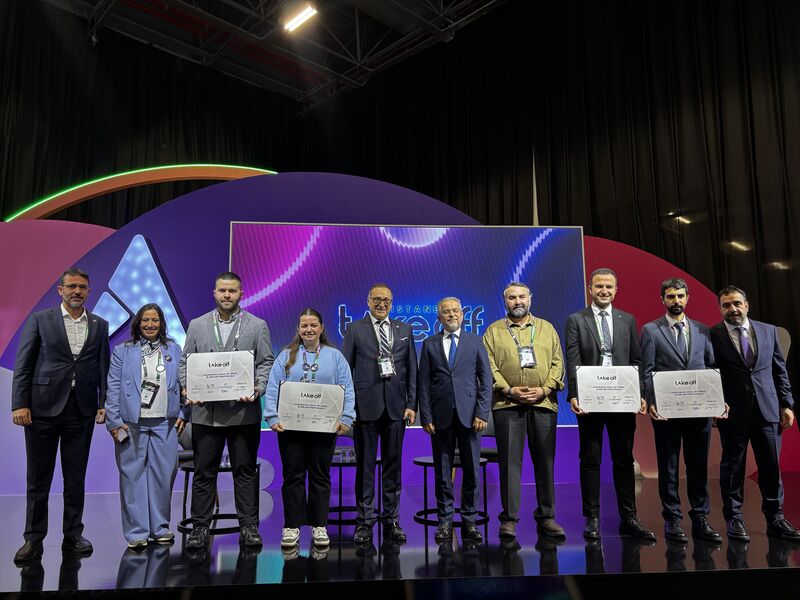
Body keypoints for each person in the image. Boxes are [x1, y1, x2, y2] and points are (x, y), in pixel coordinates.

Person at [11, 268, 109, 564]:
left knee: (75, 477)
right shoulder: (40, 320)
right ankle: (33, 539)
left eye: (82, 287)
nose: (77, 291)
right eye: (72, 286)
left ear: (89, 291)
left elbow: (102, 367)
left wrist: (102, 402)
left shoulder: (100, 324)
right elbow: (24, 364)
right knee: (38, 478)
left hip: (82, 410)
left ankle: (73, 535)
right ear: (60, 290)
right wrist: (19, 404)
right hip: (41, 410)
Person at [179, 271, 274, 549]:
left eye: (232, 291)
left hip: (243, 413)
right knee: (204, 472)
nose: (227, 295)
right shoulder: (197, 325)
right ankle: (199, 529)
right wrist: (189, 387)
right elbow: (185, 362)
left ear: (241, 294)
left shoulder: (257, 325)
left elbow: (266, 362)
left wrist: (258, 387)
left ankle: (249, 527)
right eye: (222, 290)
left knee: (245, 471)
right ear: (214, 293)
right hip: (206, 413)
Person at [564, 268, 655, 541]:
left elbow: (636, 360)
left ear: (616, 290)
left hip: (621, 399)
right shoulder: (576, 320)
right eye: (599, 286)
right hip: (590, 400)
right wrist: (574, 394)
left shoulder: (627, 319)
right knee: (590, 459)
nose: (604, 291)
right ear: (590, 289)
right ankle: (592, 518)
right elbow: (573, 359)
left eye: (608, 287)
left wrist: (639, 393)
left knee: (624, 459)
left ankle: (629, 518)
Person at [709, 285, 800, 542]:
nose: (733, 309)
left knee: (771, 467)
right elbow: (709, 373)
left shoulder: (768, 331)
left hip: (768, 410)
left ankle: (775, 519)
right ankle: (734, 519)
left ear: (746, 305)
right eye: (726, 305)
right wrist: (714, 404)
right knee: (733, 468)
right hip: (732, 413)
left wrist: (787, 404)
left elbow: (779, 370)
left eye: (737, 303)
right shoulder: (712, 335)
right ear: (720, 308)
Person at [264, 308, 356, 548]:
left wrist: (347, 417)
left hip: (324, 427)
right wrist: (271, 416)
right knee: (292, 476)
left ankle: (319, 525)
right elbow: (273, 387)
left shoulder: (335, 357)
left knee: (320, 476)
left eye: (313, 325)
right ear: (298, 329)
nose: (309, 329)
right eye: (304, 326)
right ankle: (292, 526)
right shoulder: (286, 355)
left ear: (321, 328)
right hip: (291, 428)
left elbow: (347, 388)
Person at [482, 282, 566, 540]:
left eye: (521, 296)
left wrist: (544, 389)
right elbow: (488, 366)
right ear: (504, 301)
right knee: (510, 464)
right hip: (507, 405)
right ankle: (509, 519)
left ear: (530, 298)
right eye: (512, 298)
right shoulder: (493, 331)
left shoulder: (547, 328)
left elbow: (558, 363)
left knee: (545, 463)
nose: (517, 301)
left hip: (543, 404)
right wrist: (508, 390)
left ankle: (547, 516)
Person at [640, 278, 722, 543]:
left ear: (687, 298)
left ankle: (701, 518)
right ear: (662, 300)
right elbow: (647, 370)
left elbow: (711, 367)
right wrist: (651, 401)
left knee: (698, 466)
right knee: (669, 467)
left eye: (680, 296)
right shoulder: (651, 330)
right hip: (666, 412)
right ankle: (673, 519)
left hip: (699, 411)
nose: (676, 300)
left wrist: (716, 400)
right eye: (670, 296)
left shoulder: (702, 330)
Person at [105, 303, 187, 548]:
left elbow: (185, 384)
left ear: (161, 323)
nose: (150, 325)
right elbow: (113, 386)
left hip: (165, 421)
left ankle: (160, 528)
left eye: (155, 320)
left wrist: (184, 412)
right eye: (145, 320)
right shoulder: (122, 351)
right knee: (132, 477)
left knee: (164, 476)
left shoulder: (174, 348)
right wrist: (114, 421)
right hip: (131, 423)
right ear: (138, 323)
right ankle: (137, 532)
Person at [341, 283, 417, 544]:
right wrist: (348, 408)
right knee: (365, 467)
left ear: (392, 302)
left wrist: (411, 404)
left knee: (393, 467)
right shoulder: (355, 329)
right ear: (368, 302)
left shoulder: (404, 329)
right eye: (376, 299)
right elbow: (346, 370)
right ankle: (364, 521)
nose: (381, 304)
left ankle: (392, 519)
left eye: (386, 300)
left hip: (396, 408)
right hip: (365, 408)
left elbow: (412, 369)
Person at [418, 297, 492, 543]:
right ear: (439, 317)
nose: (451, 315)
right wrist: (426, 416)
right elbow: (423, 384)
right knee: (442, 472)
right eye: (446, 312)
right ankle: (445, 521)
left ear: (462, 314)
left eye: (455, 311)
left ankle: (469, 521)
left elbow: (486, 380)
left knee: (471, 471)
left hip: (471, 418)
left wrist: (482, 413)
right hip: (440, 418)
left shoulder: (475, 342)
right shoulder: (429, 344)